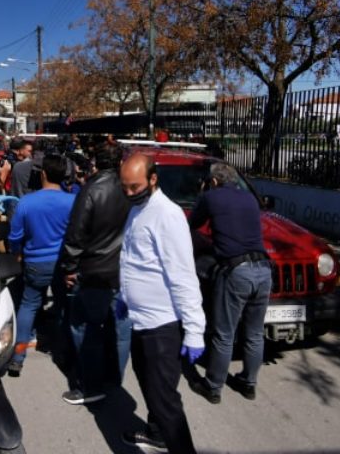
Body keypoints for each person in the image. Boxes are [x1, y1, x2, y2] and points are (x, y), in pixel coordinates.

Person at [118, 153, 205, 454]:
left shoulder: (167, 215)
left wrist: (194, 330)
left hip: (162, 326)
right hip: (140, 320)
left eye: (135, 186)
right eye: (125, 187)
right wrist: (125, 297)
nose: (129, 193)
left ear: (153, 179)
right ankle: (157, 434)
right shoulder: (138, 209)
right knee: (148, 385)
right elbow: (134, 259)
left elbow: (183, 275)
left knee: (165, 401)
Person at [187, 161, 272, 406]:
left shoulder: (211, 197)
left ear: (214, 181)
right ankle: (249, 382)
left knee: (224, 334)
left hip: (236, 271)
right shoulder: (249, 198)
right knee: (254, 333)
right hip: (264, 269)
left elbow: (192, 224)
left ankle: (213, 386)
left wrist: (203, 195)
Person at [59, 143, 132, 405]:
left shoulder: (91, 190)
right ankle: (114, 377)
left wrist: (69, 268)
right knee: (120, 327)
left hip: (94, 271)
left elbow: (75, 234)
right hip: (122, 270)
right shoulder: (130, 189)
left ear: (94, 162)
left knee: (84, 326)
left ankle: (90, 385)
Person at [6, 154, 76, 376]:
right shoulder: (72, 201)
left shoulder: (27, 202)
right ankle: (65, 352)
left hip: (35, 261)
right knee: (63, 307)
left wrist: (17, 253)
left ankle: (17, 357)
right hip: (62, 263)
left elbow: (15, 236)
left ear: (43, 173)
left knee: (28, 305)